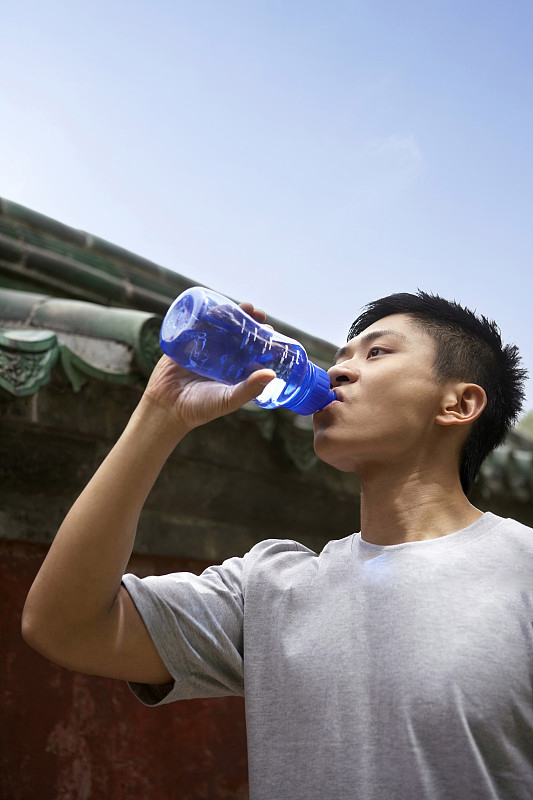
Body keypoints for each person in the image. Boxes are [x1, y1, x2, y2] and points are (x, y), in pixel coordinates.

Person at [22, 290, 533, 800]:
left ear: (459, 403)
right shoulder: (267, 588)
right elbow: (64, 626)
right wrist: (160, 414)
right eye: (340, 357)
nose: (338, 372)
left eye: (377, 353)